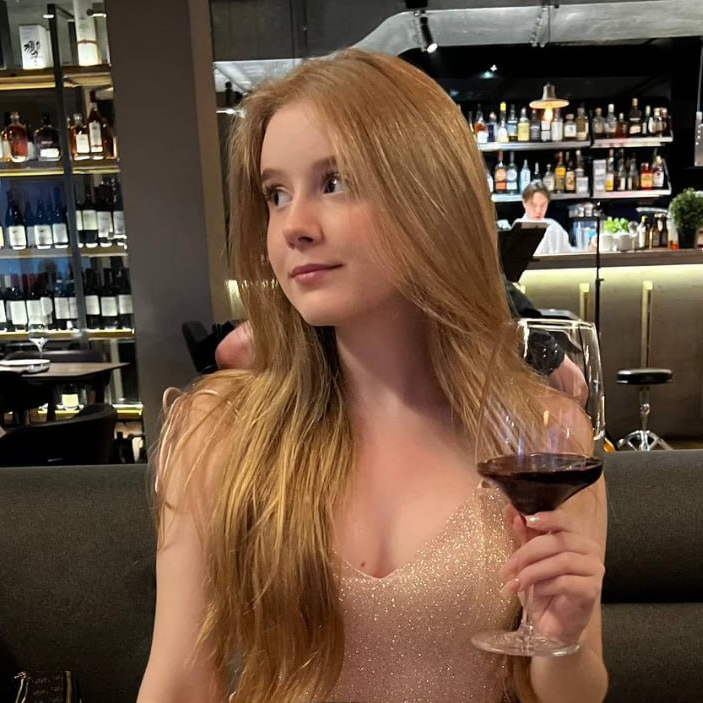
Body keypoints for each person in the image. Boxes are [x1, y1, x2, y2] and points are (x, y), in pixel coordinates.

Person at [138, 49, 607, 703]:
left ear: (430, 197)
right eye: (276, 194)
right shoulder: (217, 430)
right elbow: (179, 684)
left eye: (333, 182)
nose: (293, 226)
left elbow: (575, 691)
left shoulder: (544, 436)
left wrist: (562, 637)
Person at [516, 182, 576, 256]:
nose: (538, 210)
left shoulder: (555, 228)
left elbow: (569, 255)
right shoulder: (517, 230)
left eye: (543, 205)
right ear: (524, 203)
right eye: (533, 205)